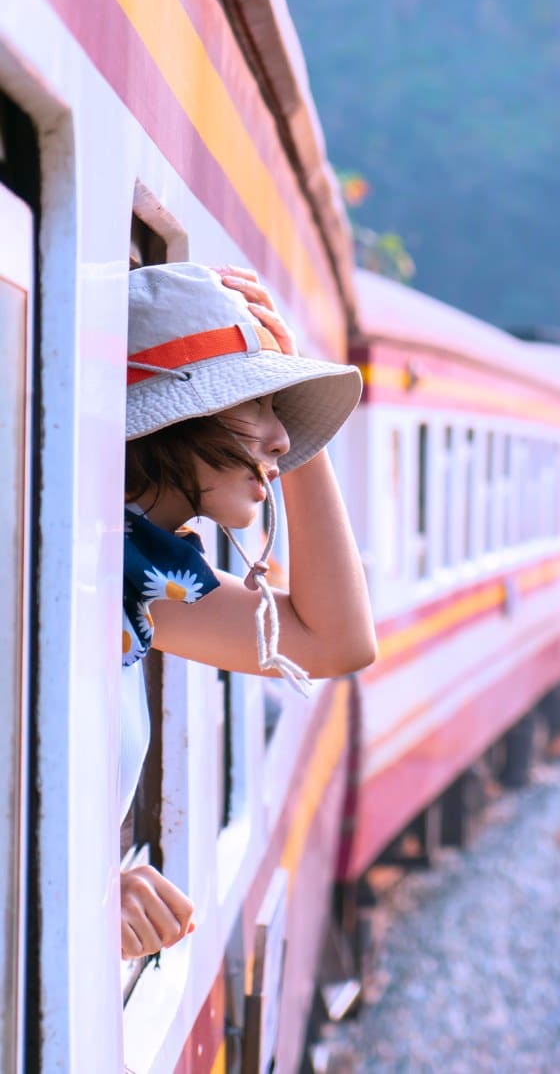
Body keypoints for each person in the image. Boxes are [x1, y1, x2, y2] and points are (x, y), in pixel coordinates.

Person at [119, 262, 376, 961]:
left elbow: (335, 642)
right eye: (257, 405)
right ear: (177, 416)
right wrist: (79, 894)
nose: (283, 440)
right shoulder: (80, 568)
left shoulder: (142, 578)